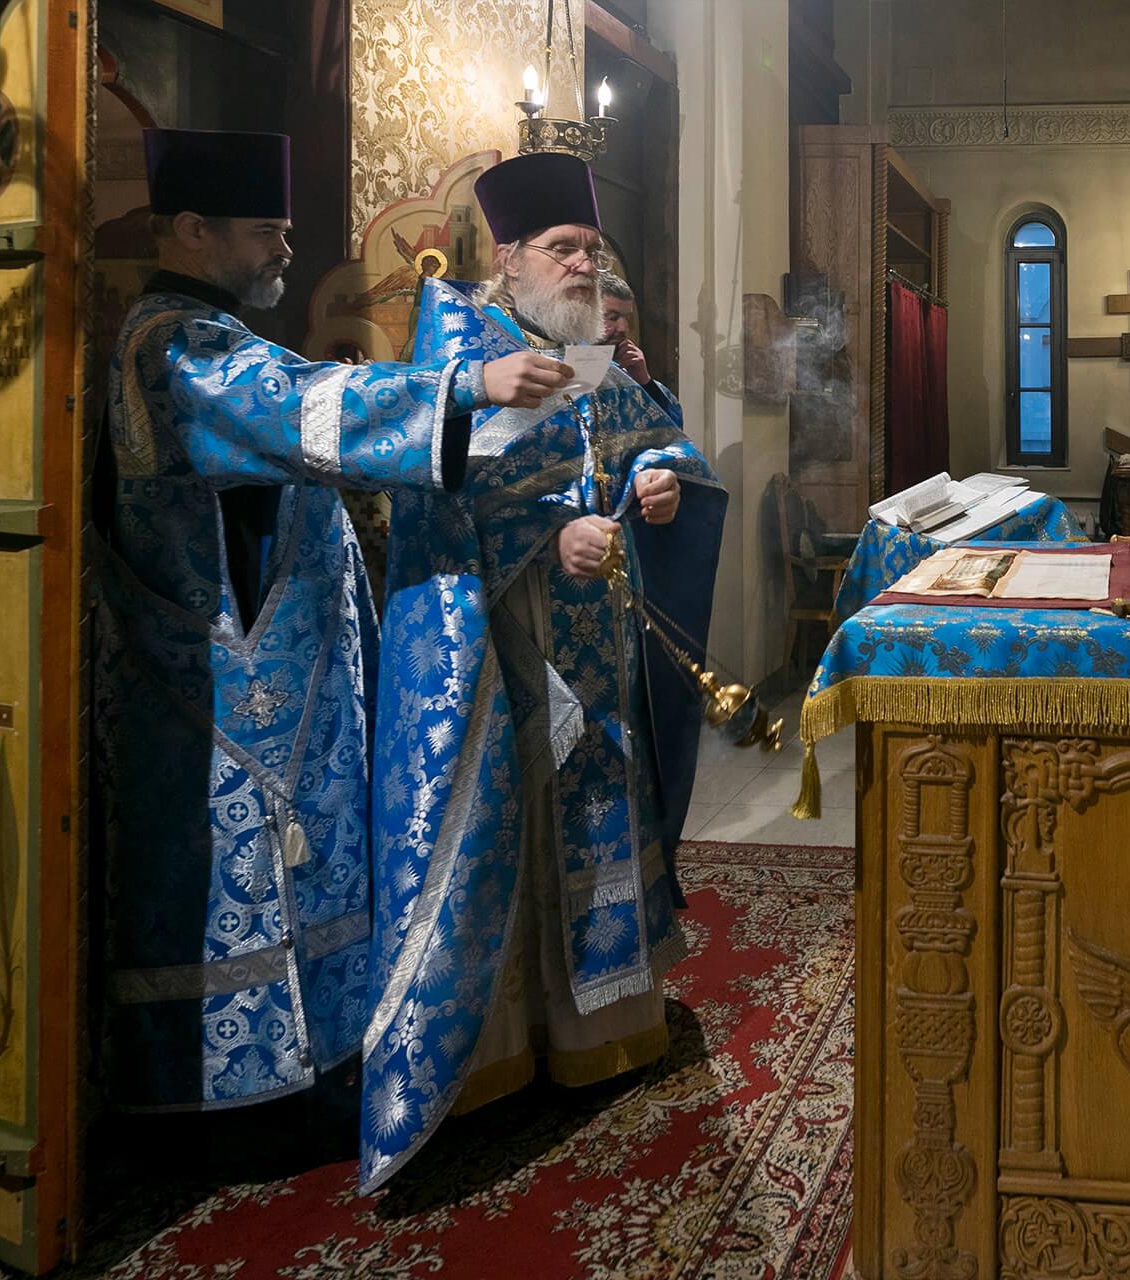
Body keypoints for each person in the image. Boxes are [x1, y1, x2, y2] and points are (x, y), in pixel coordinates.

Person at [92, 128, 570, 1121]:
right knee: (251, 877)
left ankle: (316, 1062)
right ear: (191, 228)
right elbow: (295, 407)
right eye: (266, 230)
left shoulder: (211, 330)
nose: (285, 249)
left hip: (278, 665)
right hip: (221, 681)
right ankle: (243, 1100)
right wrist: (462, 385)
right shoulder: (169, 344)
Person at [360, 148, 726, 1191]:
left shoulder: (584, 346)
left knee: (597, 809)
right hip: (501, 653)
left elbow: (655, 437)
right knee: (512, 831)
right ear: (508, 256)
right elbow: (435, 504)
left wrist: (658, 478)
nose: (583, 265)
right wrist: (544, 536)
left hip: (596, 646)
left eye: (592, 248)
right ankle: (494, 1051)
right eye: (563, 248)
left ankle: (597, 1027)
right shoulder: (461, 348)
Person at [599, 269, 677, 418]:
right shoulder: (560, 370)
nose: (623, 328)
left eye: (627, 318)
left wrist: (644, 382)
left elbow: (671, 426)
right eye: (612, 318)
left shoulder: (629, 373)